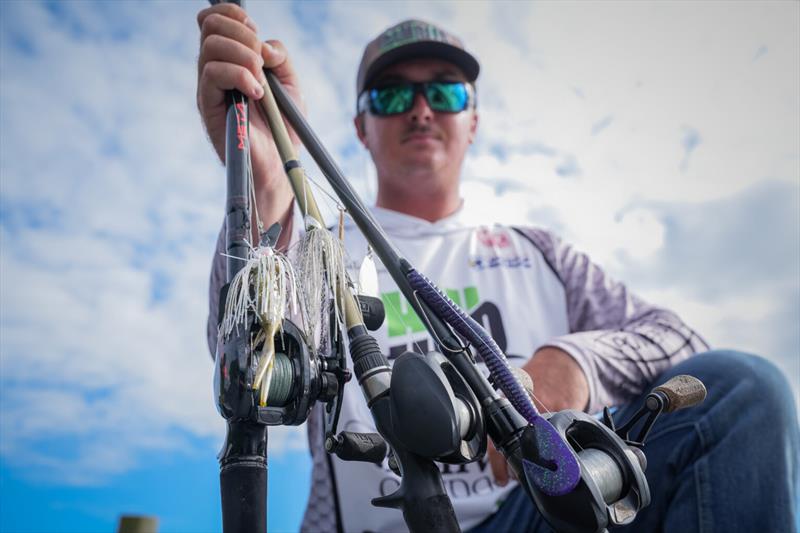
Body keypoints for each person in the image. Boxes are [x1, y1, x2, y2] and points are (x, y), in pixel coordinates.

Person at [197, 5, 799, 532]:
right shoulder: (314, 252)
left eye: (447, 91)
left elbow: (684, 345)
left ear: (473, 120)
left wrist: (573, 363)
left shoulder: (541, 252)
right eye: (393, 95)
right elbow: (249, 356)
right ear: (362, 128)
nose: (422, 110)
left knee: (747, 391)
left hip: (549, 513)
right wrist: (270, 179)